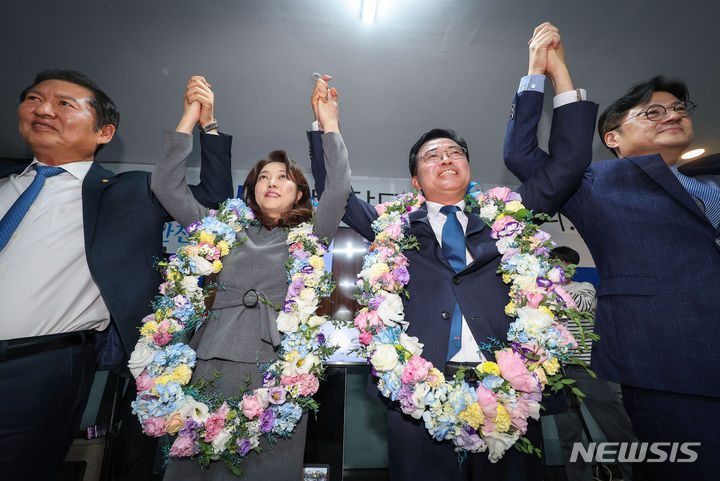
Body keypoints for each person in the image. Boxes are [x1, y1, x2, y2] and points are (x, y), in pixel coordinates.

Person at [309, 70, 597, 479]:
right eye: (431, 155)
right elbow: (334, 190)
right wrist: (327, 125)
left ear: (467, 167)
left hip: (507, 388)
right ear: (415, 181)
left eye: (454, 152)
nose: (445, 158)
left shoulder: (508, 216)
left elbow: (568, 164)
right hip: (420, 393)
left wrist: (543, 74)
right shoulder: (392, 227)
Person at [504, 22, 720, 481]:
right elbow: (524, 155)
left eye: (678, 108)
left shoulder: (711, 183)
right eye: (652, 111)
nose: (672, 115)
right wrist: (549, 72)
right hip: (669, 362)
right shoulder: (593, 184)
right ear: (613, 138)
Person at [0, 71, 233, 479]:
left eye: (64, 103)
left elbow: (212, 200)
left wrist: (206, 125)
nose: (43, 109)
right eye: (33, 99)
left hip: (40, 366)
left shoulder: (130, 192)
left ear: (104, 131)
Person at [153, 82, 350, 480]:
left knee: (266, 467)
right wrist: (192, 117)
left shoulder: (311, 234)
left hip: (277, 369)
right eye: (263, 177)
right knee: (197, 465)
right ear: (253, 188)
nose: (271, 182)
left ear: (298, 194)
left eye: (282, 177)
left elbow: (340, 188)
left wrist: (329, 124)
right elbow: (166, 187)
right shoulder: (221, 227)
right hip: (211, 358)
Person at [550, 246, 635, 481]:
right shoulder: (538, 292)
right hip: (555, 372)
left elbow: (582, 305)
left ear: (573, 268)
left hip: (584, 368)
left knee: (616, 427)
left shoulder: (584, 288)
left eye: (566, 264)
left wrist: (548, 290)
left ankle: (636, 474)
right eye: (555, 262)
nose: (561, 267)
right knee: (569, 435)